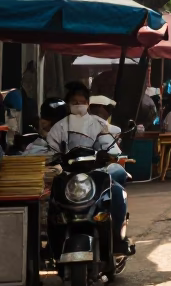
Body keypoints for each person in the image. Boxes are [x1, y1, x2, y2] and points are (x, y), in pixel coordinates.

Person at [48, 83, 130, 253]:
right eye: (74, 101)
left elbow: (112, 148)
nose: (78, 105)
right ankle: (53, 244)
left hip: (96, 172)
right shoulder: (59, 127)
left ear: (88, 103)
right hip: (68, 174)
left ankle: (116, 238)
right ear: (68, 103)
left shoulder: (99, 124)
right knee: (52, 201)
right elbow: (50, 151)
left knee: (116, 192)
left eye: (82, 101)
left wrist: (106, 155)